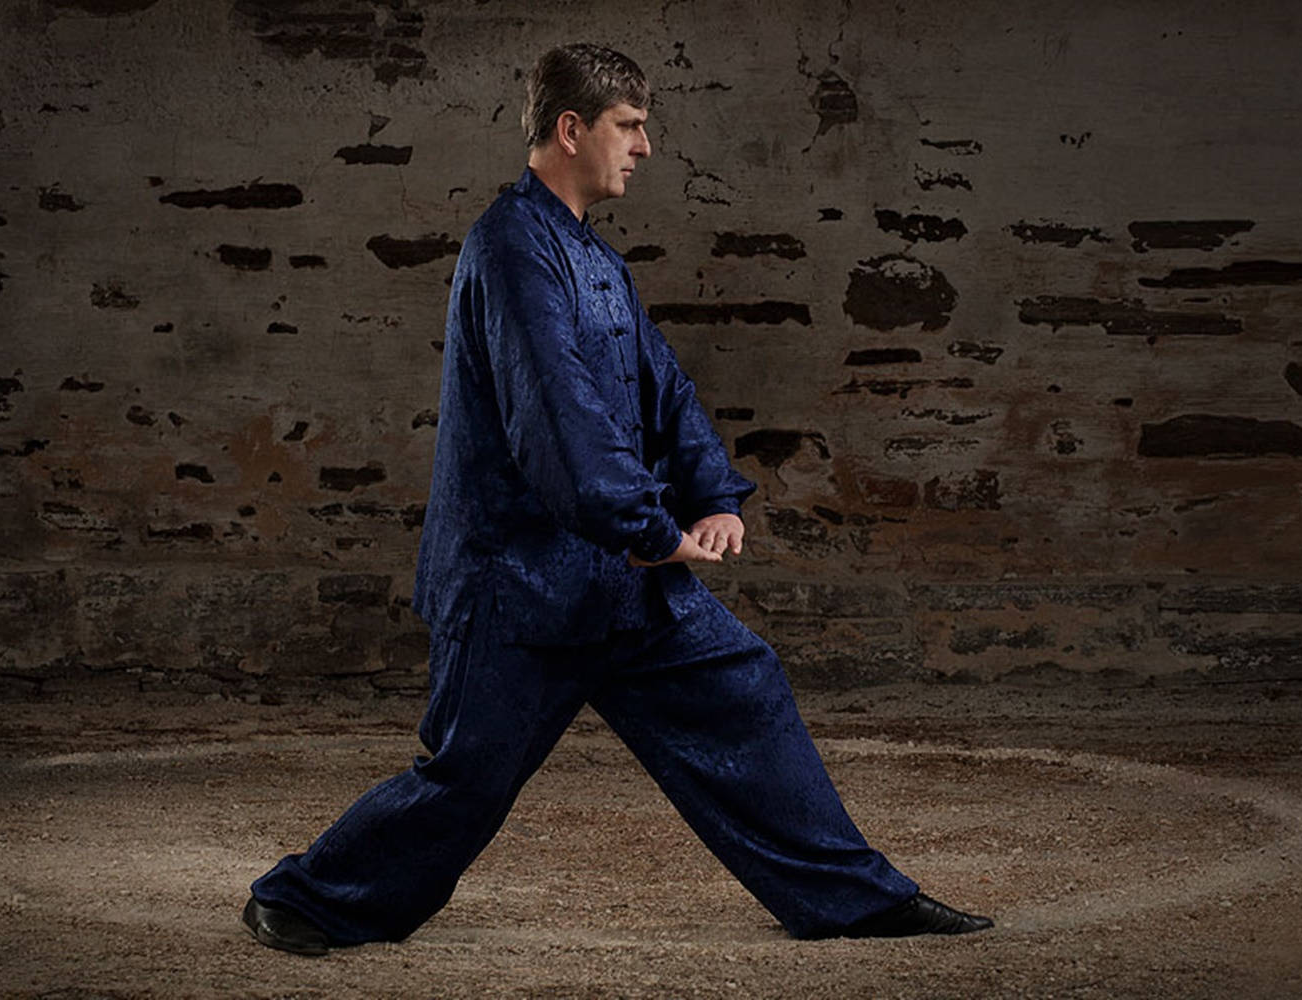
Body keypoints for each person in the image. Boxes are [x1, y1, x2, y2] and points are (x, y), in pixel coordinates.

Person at [241, 42, 993, 955]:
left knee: (743, 689)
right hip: (521, 588)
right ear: (571, 129)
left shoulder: (595, 258)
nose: (644, 147)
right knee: (469, 777)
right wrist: (646, 529)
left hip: (623, 581)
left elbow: (660, 386)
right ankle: (304, 899)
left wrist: (713, 495)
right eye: (629, 126)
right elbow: (555, 416)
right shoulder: (509, 250)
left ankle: (856, 901)